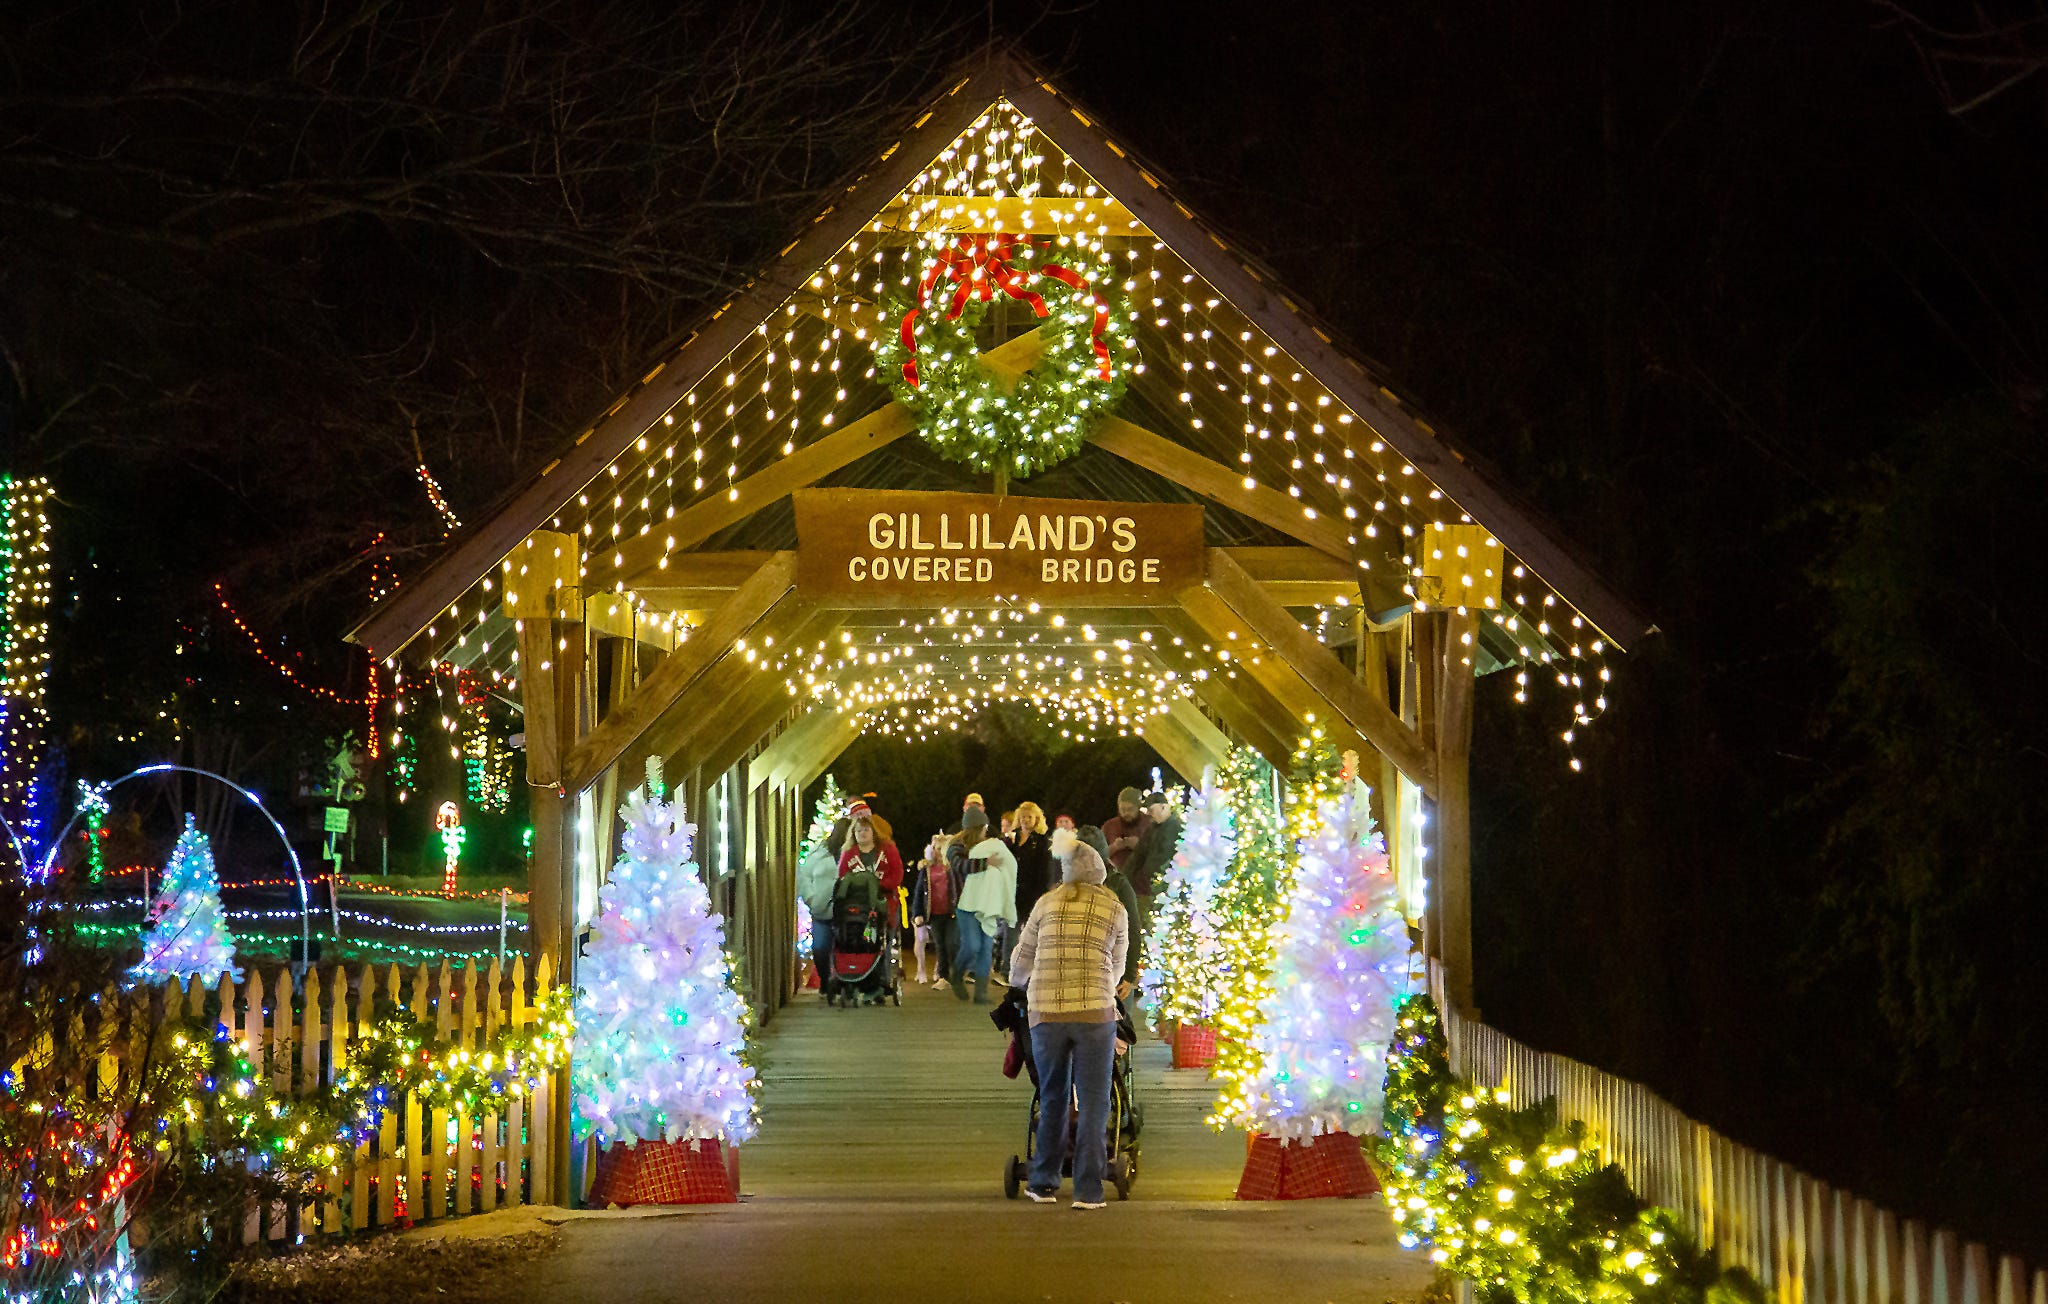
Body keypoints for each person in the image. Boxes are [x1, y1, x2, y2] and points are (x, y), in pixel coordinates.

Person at [1007, 831, 1129, 1209]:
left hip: (1046, 1012)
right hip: (1095, 1013)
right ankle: (1088, 1191)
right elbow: (1118, 965)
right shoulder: (1115, 906)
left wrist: (1020, 984)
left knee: (1053, 1096)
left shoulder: (1046, 903)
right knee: (1094, 1102)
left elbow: (1021, 959)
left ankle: (1043, 1182)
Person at [949, 807, 1017, 1004]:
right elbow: (960, 866)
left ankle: (981, 992)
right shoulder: (956, 847)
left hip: (987, 903)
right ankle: (957, 974)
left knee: (986, 946)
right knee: (972, 945)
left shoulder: (987, 845)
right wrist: (985, 863)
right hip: (965, 905)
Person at [1077, 824, 1141, 1007]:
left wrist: (1128, 975)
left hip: (1111, 974)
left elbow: (1132, 930)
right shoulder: (1070, 885)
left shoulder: (1117, 884)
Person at [799, 817, 850, 999]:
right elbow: (804, 876)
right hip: (822, 908)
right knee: (820, 947)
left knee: (847, 947)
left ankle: (844, 983)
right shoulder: (819, 853)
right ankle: (825, 980)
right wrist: (811, 898)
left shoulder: (855, 854)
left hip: (848, 911)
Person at [1000, 802, 1053, 978]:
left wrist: (1042, 894)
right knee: (1010, 931)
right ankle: (1008, 970)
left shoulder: (1041, 841)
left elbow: (1044, 870)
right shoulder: (1011, 839)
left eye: (1029, 817)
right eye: (1023, 817)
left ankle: (1031, 971)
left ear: (1036, 819)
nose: (1025, 820)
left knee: (1032, 933)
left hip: (1032, 891)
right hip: (1013, 892)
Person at [1126, 790, 1183, 929]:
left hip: (1165, 891)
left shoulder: (1176, 829)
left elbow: (1162, 860)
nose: (1148, 814)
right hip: (1148, 888)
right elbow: (1137, 856)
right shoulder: (1153, 829)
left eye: (1151, 810)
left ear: (1163, 807)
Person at [911, 833, 960, 986]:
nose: (940, 852)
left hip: (952, 912)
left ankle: (950, 972)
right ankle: (943, 976)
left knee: (952, 943)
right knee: (940, 944)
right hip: (934, 913)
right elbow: (919, 892)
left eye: (944, 849)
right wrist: (917, 913)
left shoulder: (953, 868)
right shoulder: (926, 869)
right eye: (938, 849)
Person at [837, 800, 904, 893]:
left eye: (866, 829)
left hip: (885, 897)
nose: (862, 833)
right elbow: (842, 876)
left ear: (873, 831)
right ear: (853, 833)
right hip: (857, 898)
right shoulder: (848, 852)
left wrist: (878, 886)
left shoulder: (888, 848)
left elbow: (897, 874)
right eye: (859, 831)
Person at [1100, 786, 1152, 875]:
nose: (1126, 813)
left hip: (1144, 878)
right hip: (1115, 878)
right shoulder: (1109, 826)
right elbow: (1098, 856)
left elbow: (1159, 853)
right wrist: (1114, 847)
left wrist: (1140, 846)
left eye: (1130, 809)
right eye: (1123, 809)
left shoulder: (1149, 824)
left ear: (1138, 807)